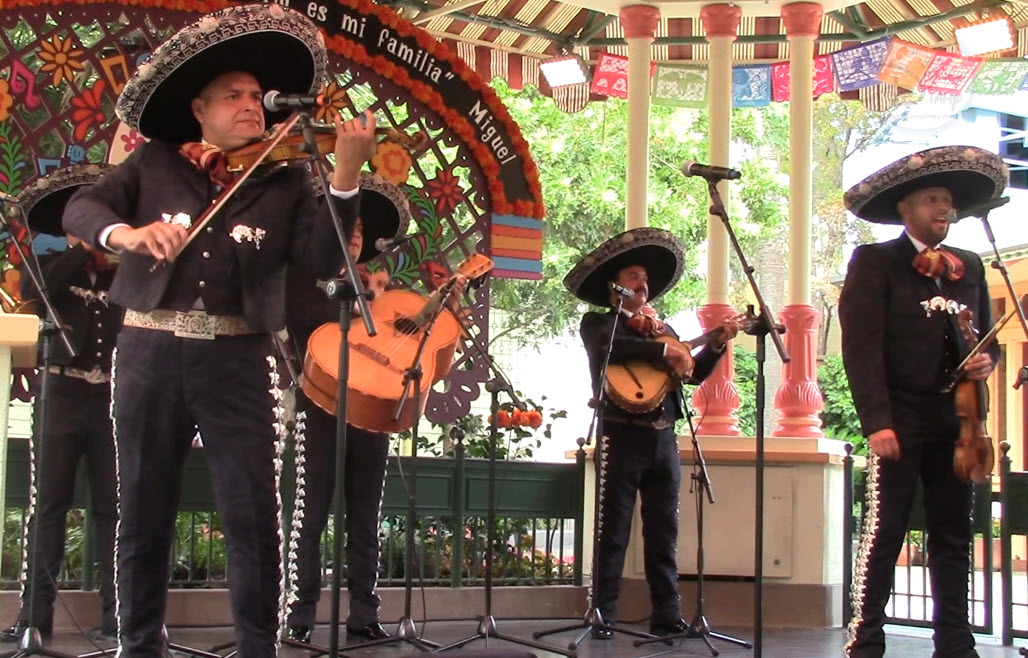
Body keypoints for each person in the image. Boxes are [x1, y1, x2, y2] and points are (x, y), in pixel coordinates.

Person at [61, 5, 378, 657]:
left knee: (252, 515)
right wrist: (128, 235)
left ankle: (259, 647)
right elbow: (82, 206)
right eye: (232, 96)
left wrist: (344, 172)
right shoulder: (151, 165)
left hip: (239, 356)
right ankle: (139, 643)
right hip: (150, 351)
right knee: (143, 510)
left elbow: (323, 261)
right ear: (198, 108)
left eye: (256, 97)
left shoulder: (287, 177)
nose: (250, 105)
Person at [840, 145, 1006, 658]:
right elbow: (861, 347)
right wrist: (877, 422)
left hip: (957, 419)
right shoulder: (875, 261)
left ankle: (954, 640)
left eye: (949, 202)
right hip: (900, 416)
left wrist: (988, 361)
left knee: (954, 531)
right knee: (886, 530)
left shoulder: (970, 267)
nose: (944, 209)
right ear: (907, 208)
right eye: (933, 198)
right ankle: (866, 637)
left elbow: (988, 342)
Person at [562, 227, 738, 638]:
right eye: (632, 277)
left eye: (644, 277)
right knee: (614, 528)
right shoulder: (599, 324)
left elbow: (691, 376)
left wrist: (714, 346)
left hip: (663, 437)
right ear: (614, 289)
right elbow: (612, 348)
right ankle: (602, 614)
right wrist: (663, 350)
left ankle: (667, 614)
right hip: (620, 435)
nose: (642, 283)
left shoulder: (668, 329)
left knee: (664, 531)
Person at [283, 172, 409, 643]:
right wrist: (356, 306)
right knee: (310, 516)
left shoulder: (379, 292)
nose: (353, 239)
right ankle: (300, 616)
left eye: (359, 234)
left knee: (365, 516)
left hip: (370, 415)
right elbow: (305, 325)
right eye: (345, 230)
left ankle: (364, 613)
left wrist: (430, 308)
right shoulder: (303, 282)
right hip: (317, 408)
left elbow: (403, 343)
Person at [0, 164, 120, 643]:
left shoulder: (126, 278)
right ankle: (34, 618)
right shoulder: (49, 267)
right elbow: (31, 292)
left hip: (110, 400)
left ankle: (119, 614)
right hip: (61, 395)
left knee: (115, 509)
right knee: (48, 507)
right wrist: (82, 248)